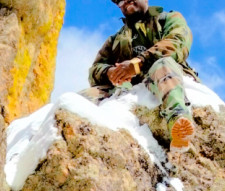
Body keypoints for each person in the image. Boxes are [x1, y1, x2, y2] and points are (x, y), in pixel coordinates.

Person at [81, 0, 198, 151]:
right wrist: (109, 72)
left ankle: (179, 122)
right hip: (131, 89)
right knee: (82, 97)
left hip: (166, 76)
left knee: (162, 64)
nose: (124, 2)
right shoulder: (115, 40)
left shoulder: (168, 18)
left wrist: (138, 63)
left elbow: (177, 43)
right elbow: (95, 70)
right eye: (119, 1)